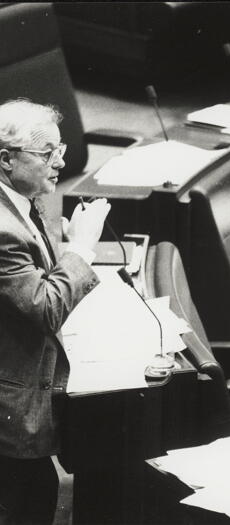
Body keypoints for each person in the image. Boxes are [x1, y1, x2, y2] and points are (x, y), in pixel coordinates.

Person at [0, 99, 110, 524]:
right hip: (11, 397)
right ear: (6, 159)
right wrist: (81, 248)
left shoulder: (19, 196)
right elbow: (45, 309)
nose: (61, 161)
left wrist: (60, 257)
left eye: (60, 149)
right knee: (27, 498)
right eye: (48, 154)